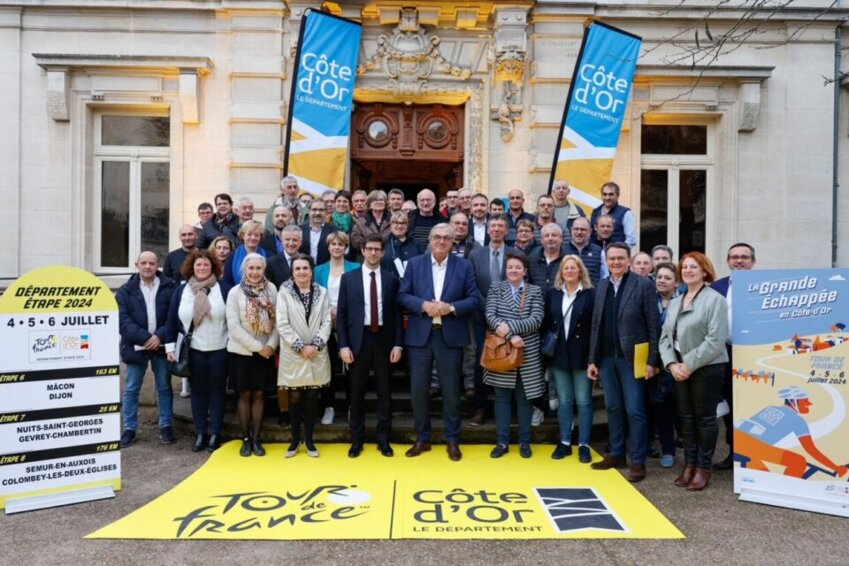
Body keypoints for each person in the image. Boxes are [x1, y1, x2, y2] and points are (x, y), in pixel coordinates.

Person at [399, 223, 480, 461]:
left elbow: (475, 298)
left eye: (446, 237)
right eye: (437, 237)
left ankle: (452, 439)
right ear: (430, 240)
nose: (441, 241)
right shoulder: (415, 264)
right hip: (420, 336)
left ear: (453, 242)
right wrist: (422, 305)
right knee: (418, 390)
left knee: (452, 391)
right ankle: (422, 438)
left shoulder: (464, 266)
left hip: (450, 337)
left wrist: (452, 308)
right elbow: (402, 295)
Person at [588, 242, 661, 483]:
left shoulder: (643, 285)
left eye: (621, 258)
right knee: (613, 408)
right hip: (607, 359)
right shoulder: (601, 286)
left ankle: (638, 461)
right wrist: (593, 360)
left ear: (629, 261)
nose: (616, 262)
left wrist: (652, 361)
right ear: (606, 262)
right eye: (612, 259)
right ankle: (617, 453)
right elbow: (596, 325)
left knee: (635, 409)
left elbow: (653, 325)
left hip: (634, 360)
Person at [660, 252, 729, 490]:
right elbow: (664, 338)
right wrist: (671, 364)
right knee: (686, 418)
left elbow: (716, 340)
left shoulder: (714, 299)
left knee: (705, 418)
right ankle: (689, 464)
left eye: (694, 267)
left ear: (705, 271)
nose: (688, 270)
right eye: (685, 267)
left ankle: (703, 467)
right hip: (679, 368)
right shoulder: (677, 301)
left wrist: (688, 364)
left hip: (706, 368)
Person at [338, 234, 403, 458]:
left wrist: (398, 344)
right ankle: (357, 440)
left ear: (383, 253)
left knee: (385, 393)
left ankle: (383, 440)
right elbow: (343, 315)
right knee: (356, 394)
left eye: (377, 249)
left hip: (384, 340)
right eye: (370, 249)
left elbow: (396, 314)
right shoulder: (349, 278)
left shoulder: (391, 279)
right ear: (363, 251)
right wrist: (343, 346)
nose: (374, 253)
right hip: (358, 341)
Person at [166, 249, 232, 453]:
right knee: (198, 393)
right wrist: (169, 348)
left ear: (212, 266)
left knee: (217, 393)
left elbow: (232, 321)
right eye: (198, 265)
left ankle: (214, 434)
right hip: (192, 350)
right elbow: (171, 321)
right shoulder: (182, 290)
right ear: (191, 268)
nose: (202, 268)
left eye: (206, 265)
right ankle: (200, 433)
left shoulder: (224, 289)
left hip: (220, 349)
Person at [484, 252, 545, 459]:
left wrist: (508, 328)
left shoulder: (535, 291)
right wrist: (511, 336)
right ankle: (501, 442)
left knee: (524, 398)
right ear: (506, 269)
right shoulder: (496, 288)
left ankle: (524, 442)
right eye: (510, 267)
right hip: (502, 351)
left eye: (518, 267)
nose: (513, 270)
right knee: (501, 398)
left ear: (525, 271)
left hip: (527, 351)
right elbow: (490, 316)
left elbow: (536, 319)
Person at [116, 251, 178, 447]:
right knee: (132, 388)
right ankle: (129, 428)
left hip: (161, 345)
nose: (148, 267)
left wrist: (158, 336)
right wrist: (145, 338)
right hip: (136, 346)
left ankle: (166, 426)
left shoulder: (169, 286)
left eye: (152, 263)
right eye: (144, 263)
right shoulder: (125, 290)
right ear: (137, 265)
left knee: (164, 387)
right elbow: (123, 321)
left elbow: (173, 316)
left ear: (157, 265)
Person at [276, 254, 332, 458]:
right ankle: (294, 440)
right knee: (295, 396)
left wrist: (315, 344)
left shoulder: (322, 292)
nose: (301, 272)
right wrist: (301, 346)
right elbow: (282, 323)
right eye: (297, 268)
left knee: (311, 396)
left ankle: (309, 440)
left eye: (305, 268)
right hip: (294, 352)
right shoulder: (284, 292)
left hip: (316, 351)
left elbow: (327, 321)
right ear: (292, 272)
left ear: (311, 270)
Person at [543, 255, 595, 463]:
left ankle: (583, 444)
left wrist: (593, 357)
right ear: (561, 272)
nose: (570, 271)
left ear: (581, 271)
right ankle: (565, 441)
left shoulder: (591, 294)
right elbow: (547, 323)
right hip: (560, 354)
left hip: (582, 354)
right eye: (566, 268)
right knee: (564, 400)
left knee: (583, 400)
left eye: (574, 268)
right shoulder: (553, 294)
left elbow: (594, 328)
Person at [467, 213, 517, 426]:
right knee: (482, 361)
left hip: (510, 319)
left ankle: (510, 409)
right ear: (487, 230)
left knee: (509, 361)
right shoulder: (475, 255)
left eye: (500, 226)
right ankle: (481, 408)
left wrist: (502, 310)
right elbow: (471, 285)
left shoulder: (516, 254)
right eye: (493, 226)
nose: (496, 230)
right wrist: (489, 308)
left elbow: (521, 284)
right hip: (482, 317)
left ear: (506, 231)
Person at [226, 253, 278, 457]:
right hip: (242, 352)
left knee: (259, 394)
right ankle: (245, 438)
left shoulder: (272, 289)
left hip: (266, 352)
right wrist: (258, 347)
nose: (255, 272)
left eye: (259, 268)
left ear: (263, 269)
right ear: (244, 270)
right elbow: (233, 326)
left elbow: (277, 322)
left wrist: (271, 345)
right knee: (244, 394)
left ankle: (257, 438)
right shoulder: (235, 293)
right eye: (251, 268)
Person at [735, 386, 849, 479]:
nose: (809, 404)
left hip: (738, 439)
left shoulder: (770, 408)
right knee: (798, 461)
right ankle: (787, 488)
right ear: (794, 401)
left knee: (764, 475)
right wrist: (836, 467)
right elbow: (811, 450)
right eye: (805, 400)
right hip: (752, 445)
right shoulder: (797, 420)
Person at [711, 242, 756, 470]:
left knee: (754, 404)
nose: (739, 261)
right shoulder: (716, 287)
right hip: (725, 353)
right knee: (730, 402)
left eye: (744, 257)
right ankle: (733, 452)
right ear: (728, 261)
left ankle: (755, 454)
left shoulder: (763, 286)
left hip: (754, 353)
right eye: (734, 257)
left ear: (753, 262)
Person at [314, 232, 360, 425]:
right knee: (328, 367)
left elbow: (359, 297)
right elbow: (314, 297)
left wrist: (341, 312)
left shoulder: (356, 267)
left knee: (352, 368)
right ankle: (329, 406)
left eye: (340, 244)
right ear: (328, 247)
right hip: (325, 325)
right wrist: (328, 313)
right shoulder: (318, 270)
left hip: (349, 324)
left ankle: (352, 407)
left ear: (346, 247)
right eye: (333, 244)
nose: (336, 247)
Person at [652, 262, 680, 468]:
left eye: (667, 277)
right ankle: (667, 450)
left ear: (676, 282)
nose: (662, 280)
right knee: (661, 409)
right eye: (659, 277)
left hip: (679, 362)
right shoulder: (649, 300)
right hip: (654, 363)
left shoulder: (684, 302)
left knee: (679, 409)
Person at [223, 220, 274, 288]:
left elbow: (272, 280)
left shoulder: (269, 256)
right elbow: (227, 283)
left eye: (256, 235)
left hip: (264, 296)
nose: (253, 238)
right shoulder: (232, 257)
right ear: (243, 236)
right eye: (249, 234)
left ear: (260, 237)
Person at [589, 181, 636, 247]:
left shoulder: (626, 213)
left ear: (618, 195)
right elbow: (591, 235)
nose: (607, 198)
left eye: (611, 194)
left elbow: (631, 240)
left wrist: (620, 252)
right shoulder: (595, 212)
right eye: (604, 194)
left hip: (616, 255)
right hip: (597, 254)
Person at [565, 217, 605, 285]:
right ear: (571, 230)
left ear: (590, 232)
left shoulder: (599, 251)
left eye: (583, 229)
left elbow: (604, 277)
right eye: (576, 229)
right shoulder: (562, 250)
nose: (579, 232)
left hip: (592, 294)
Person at [382, 211, 422, 279]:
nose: (399, 226)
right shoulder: (384, 243)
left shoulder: (416, 243)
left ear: (407, 225)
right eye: (396, 223)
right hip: (389, 284)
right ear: (391, 225)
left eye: (403, 223)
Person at [528, 223, 567, 292]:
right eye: (546, 236)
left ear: (561, 239)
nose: (550, 238)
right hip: (536, 302)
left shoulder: (568, 260)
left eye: (554, 235)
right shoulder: (531, 259)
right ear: (541, 240)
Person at [351, 189, 391, 254]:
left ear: (385, 203)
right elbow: (355, 241)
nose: (379, 202)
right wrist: (372, 244)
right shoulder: (361, 222)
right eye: (375, 200)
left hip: (389, 256)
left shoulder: (393, 220)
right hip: (367, 257)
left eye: (381, 200)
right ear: (369, 204)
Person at [300, 199, 338, 265]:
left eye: (321, 210)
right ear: (309, 211)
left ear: (326, 212)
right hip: (303, 270)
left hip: (326, 270)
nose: (317, 213)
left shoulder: (334, 231)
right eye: (314, 209)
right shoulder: (300, 230)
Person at [265, 224, 302, 289]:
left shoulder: (307, 261)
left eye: (295, 240)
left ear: (300, 242)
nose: (291, 243)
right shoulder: (271, 263)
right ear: (282, 241)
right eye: (287, 239)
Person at [551, 179, 586, 244]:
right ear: (553, 192)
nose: (561, 190)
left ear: (568, 191)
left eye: (564, 188)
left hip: (570, 245)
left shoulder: (577, 210)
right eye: (558, 188)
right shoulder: (547, 209)